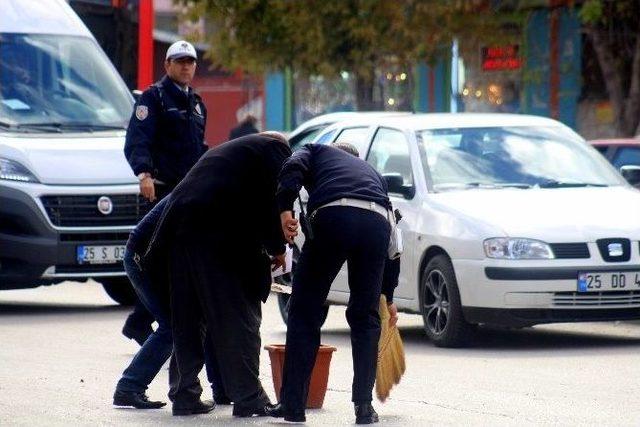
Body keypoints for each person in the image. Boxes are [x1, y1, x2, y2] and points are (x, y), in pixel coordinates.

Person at [143, 132, 291, 417]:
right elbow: (271, 197)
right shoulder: (277, 149)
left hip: (179, 231)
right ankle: (249, 397)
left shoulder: (237, 152)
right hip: (215, 231)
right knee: (239, 315)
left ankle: (185, 394)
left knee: (189, 316)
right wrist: (277, 247)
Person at [266, 142, 399, 424]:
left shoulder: (314, 150)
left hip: (334, 216)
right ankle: (364, 408)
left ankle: (293, 406)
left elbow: (290, 168)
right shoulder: (372, 173)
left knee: (304, 311)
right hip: (377, 224)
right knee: (365, 317)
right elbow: (393, 241)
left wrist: (284, 210)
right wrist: (388, 296)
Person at [121, 40, 208, 346]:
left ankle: (139, 322)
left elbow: (199, 149)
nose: (186, 66)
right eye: (179, 61)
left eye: (190, 62)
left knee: (176, 261)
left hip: (187, 194)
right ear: (167, 65)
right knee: (156, 259)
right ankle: (141, 321)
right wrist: (144, 174)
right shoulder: (153, 98)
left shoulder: (197, 104)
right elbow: (137, 140)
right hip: (160, 191)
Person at [112, 196, 229, 413]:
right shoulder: (206, 192)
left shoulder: (205, 183)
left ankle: (219, 388)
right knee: (172, 327)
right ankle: (129, 386)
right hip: (144, 259)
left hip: (147, 257)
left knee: (182, 323)